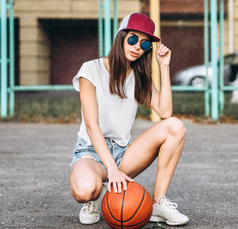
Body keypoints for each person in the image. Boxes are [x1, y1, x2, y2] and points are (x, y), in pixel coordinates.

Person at [68, 12, 189, 226]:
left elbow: (165, 111)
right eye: (133, 39)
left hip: (124, 153)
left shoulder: (140, 75)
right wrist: (112, 171)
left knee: (175, 126)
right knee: (84, 191)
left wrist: (164, 66)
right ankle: (97, 193)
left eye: (145, 45)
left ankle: (159, 202)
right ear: (121, 37)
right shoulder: (91, 69)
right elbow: (91, 125)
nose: (137, 47)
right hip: (91, 151)